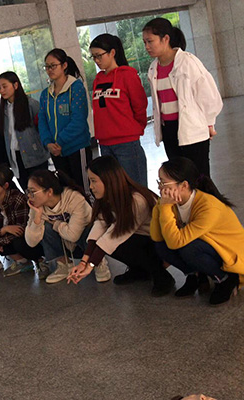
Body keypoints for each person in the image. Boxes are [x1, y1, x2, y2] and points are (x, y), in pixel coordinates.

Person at [67, 156, 175, 296]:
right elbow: (100, 225)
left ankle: (161, 276)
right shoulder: (107, 197)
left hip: (161, 245)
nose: (91, 187)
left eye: (93, 181)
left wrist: (91, 265)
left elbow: (116, 235)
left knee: (119, 242)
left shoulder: (137, 199)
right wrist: (84, 262)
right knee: (97, 235)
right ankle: (140, 271)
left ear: (108, 179)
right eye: (90, 181)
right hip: (138, 238)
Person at [151, 157, 244, 305]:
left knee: (189, 248)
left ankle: (225, 279)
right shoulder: (172, 201)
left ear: (184, 185)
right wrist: (160, 206)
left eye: (163, 183)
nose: (159, 188)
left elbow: (176, 242)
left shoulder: (208, 207)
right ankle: (194, 275)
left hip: (228, 252)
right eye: (159, 182)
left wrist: (165, 207)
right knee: (161, 247)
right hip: (205, 245)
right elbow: (157, 237)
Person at [143, 17, 222, 177]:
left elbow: (210, 96)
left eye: (150, 41)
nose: (147, 47)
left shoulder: (187, 61)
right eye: (144, 42)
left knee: (199, 177)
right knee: (179, 177)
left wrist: (209, 123)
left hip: (191, 128)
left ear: (165, 39)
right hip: (169, 130)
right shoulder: (153, 68)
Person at [25, 169, 111, 283]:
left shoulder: (73, 198)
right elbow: (31, 242)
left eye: (32, 192)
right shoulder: (37, 207)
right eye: (28, 191)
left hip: (85, 244)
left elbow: (73, 236)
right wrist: (37, 217)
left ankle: (97, 262)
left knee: (89, 228)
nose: (29, 196)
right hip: (65, 244)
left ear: (49, 192)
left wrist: (56, 224)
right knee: (45, 227)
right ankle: (64, 265)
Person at [89, 34, 149, 187]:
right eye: (93, 57)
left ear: (112, 53)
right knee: (115, 189)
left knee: (136, 188)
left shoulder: (127, 75)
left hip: (126, 142)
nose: (96, 60)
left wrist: (134, 129)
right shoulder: (98, 79)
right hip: (105, 143)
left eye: (99, 55)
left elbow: (140, 106)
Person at [39, 49, 92, 195]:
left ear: (64, 65)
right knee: (67, 191)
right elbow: (42, 121)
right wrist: (48, 143)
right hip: (56, 152)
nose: (49, 70)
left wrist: (59, 142)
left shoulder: (76, 88)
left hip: (76, 147)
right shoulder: (45, 94)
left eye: (53, 66)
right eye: (47, 67)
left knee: (84, 189)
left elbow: (78, 121)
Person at [0, 165, 46, 277]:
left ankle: (41, 261)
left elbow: (21, 230)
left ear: (5, 185)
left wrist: (0, 241)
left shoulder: (17, 198)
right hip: (7, 237)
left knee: (18, 242)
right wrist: (4, 230)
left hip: (28, 238)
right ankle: (22, 261)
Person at [0, 71, 49, 191]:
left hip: (35, 156)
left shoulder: (31, 104)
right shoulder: (3, 108)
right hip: (16, 157)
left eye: (4, 86)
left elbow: (43, 128)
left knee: (40, 190)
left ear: (15, 85)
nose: (1, 90)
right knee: (27, 192)